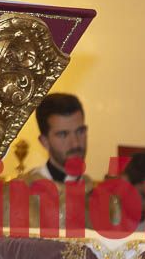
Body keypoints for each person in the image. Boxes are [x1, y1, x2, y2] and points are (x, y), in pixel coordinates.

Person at [15, 93, 97, 230]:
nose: (75, 143)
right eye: (63, 134)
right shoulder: (18, 197)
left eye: (80, 131)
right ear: (44, 142)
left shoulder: (102, 200)